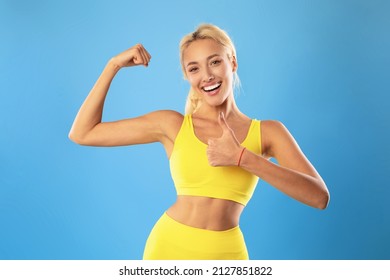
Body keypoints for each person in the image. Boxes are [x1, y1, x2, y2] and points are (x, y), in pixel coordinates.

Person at [69, 23, 330, 260]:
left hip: (226, 255)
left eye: (215, 62)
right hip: (168, 247)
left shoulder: (268, 132)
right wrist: (112, 65)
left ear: (233, 63)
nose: (207, 76)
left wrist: (242, 158)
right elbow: (83, 133)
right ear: (187, 76)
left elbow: (319, 197)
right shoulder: (172, 125)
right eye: (194, 68)